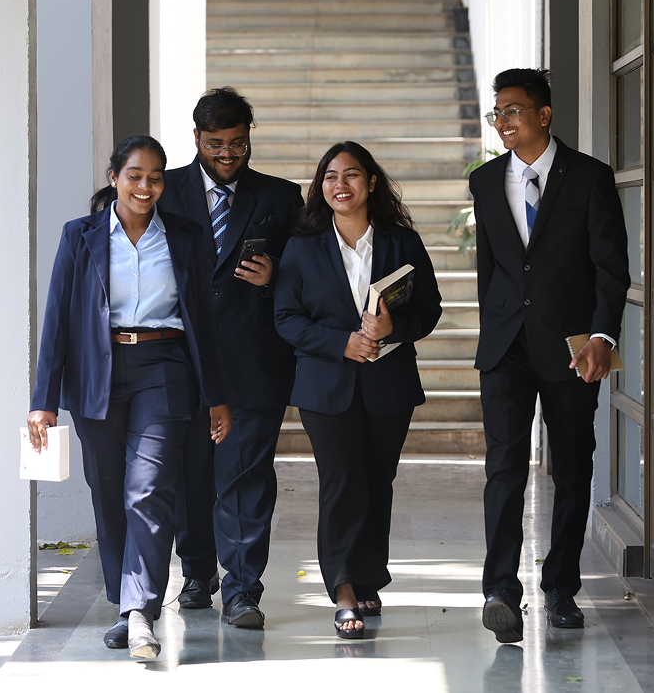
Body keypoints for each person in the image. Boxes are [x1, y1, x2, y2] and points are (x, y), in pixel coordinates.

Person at [27, 135, 231, 660]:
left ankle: (140, 611)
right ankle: (126, 602)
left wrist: (217, 395)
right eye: (136, 175)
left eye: (156, 177)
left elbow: (204, 323)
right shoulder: (81, 235)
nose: (146, 186)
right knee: (108, 489)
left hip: (165, 368)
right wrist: (42, 399)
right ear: (115, 176)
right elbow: (57, 320)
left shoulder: (186, 236)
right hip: (98, 371)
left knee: (150, 489)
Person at [469, 69, 629, 643]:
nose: (504, 121)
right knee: (504, 469)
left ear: (544, 114)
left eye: (514, 110)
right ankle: (500, 591)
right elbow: (492, 271)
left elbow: (611, 269)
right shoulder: (485, 181)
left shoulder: (590, 178)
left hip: (572, 350)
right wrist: (493, 335)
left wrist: (601, 338)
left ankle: (561, 586)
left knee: (572, 464)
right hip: (507, 349)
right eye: (498, 113)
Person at [274, 141, 442, 638]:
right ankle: (344, 589)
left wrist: (393, 327)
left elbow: (429, 309)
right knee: (342, 482)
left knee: (376, 481)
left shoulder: (401, 242)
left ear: (371, 183)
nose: (339, 184)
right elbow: (285, 317)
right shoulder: (302, 245)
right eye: (330, 176)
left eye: (351, 175)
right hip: (326, 387)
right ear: (319, 186)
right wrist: (339, 342)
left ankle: (370, 577)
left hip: (388, 385)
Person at [161, 86, 304, 627]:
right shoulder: (164, 190)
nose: (227, 154)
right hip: (178, 361)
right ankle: (198, 572)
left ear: (250, 138)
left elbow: (307, 275)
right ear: (196, 137)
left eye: (238, 144)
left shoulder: (281, 197)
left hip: (254, 362)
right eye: (215, 143)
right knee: (189, 474)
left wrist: (274, 280)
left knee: (244, 478)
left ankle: (243, 589)